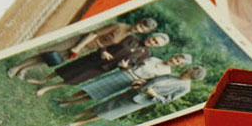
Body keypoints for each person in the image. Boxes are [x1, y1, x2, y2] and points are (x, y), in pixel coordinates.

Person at [6, 18, 158, 79]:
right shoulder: (119, 26)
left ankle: (25, 69)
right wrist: (78, 47)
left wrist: (104, 51)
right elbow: (94, 33)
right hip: (79, 42)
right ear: (138, 22)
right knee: (48, 53)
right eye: (140, 25)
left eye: (143, 30)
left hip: (87, 49)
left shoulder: (128, 36)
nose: (139, 29)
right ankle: (16, 67)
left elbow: (106, 45)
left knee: (52, 60)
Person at [67, 66, 207, 126]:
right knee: (105, 104)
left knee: (109, 111)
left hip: (139, 101)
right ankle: (76, 115)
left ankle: (77, 124)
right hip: (134, 91)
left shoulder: (184, 88)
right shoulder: (171, 75)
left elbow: (166, 101)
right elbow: (151, 82)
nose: (184, 72)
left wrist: (154, 95)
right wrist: (141, 83)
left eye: (187, 72)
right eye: (186, 70)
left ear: (191, 77)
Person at [34, 33, 171, 93]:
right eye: (153, 39)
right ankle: (43, 80)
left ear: (157, 46)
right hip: (96, 58)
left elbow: (133, 66)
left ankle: (47, 89)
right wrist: (103, 51)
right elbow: (106, 42)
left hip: (105, 67)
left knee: (76, 78)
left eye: (156, 43)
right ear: (151, 36)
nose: (152, 42)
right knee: (69, 69)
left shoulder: (146, 54)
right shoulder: (130, 38)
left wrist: (125, 67)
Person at [54, 52, 192, 106]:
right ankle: (66, 99)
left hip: (130, 83)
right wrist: (125, 67)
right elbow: (134, 65)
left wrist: (141, 83)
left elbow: (150, 83)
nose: (174, 60)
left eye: (178, 62)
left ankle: (69, 104)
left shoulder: (167, 73)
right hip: (123, 74)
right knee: (91, 87)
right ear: (173, 55)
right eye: (176, 58)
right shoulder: (154, 58)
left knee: (97, 94)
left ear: (179, 65)